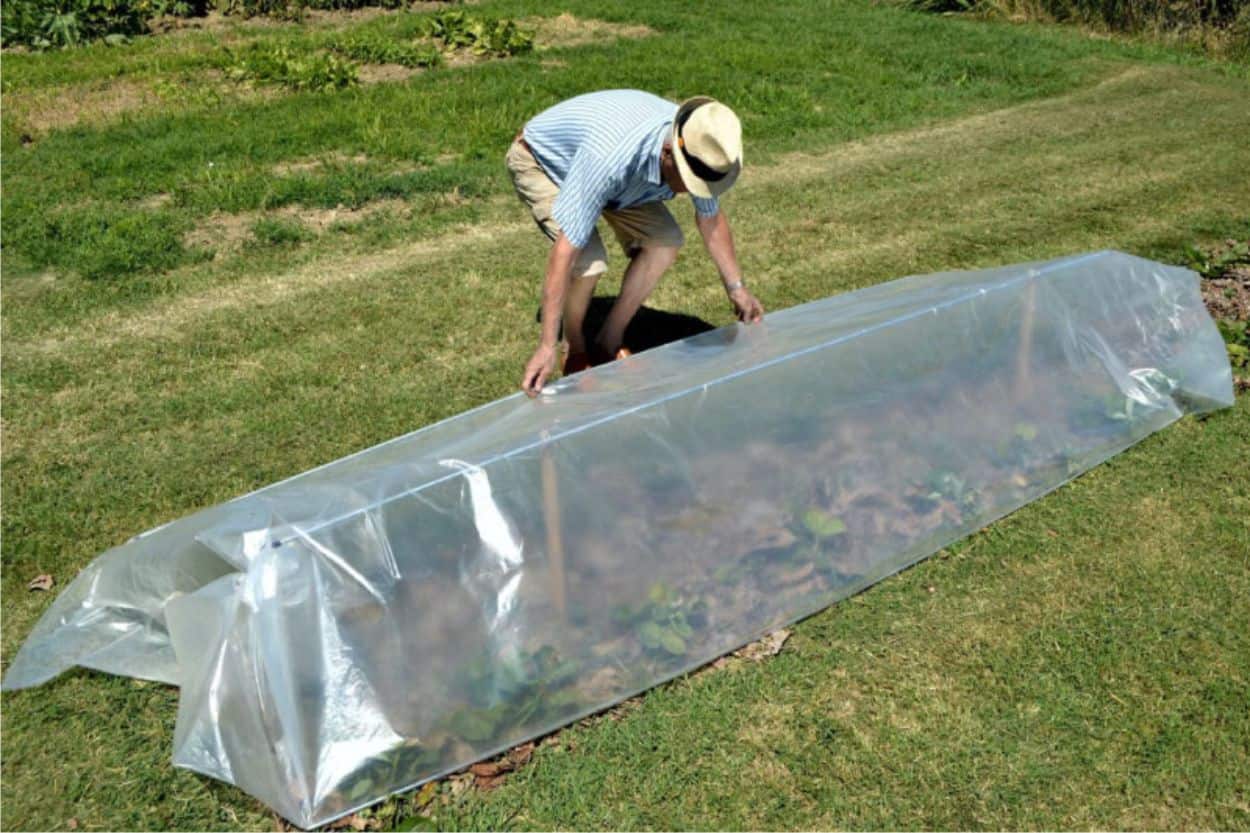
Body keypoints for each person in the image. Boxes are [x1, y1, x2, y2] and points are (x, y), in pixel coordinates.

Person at [506, 89, 764, 397]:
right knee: (588, 260)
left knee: (665, 241)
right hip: (546, 163)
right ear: (668, 154)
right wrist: (545, 345)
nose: (693, 191)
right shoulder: (610, 158)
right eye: (690, 183)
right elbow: (564, 253)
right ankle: (573, 347)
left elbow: (710, 218)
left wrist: (737, 288)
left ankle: (608, 341)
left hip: (624, 180)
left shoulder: (698, 146)